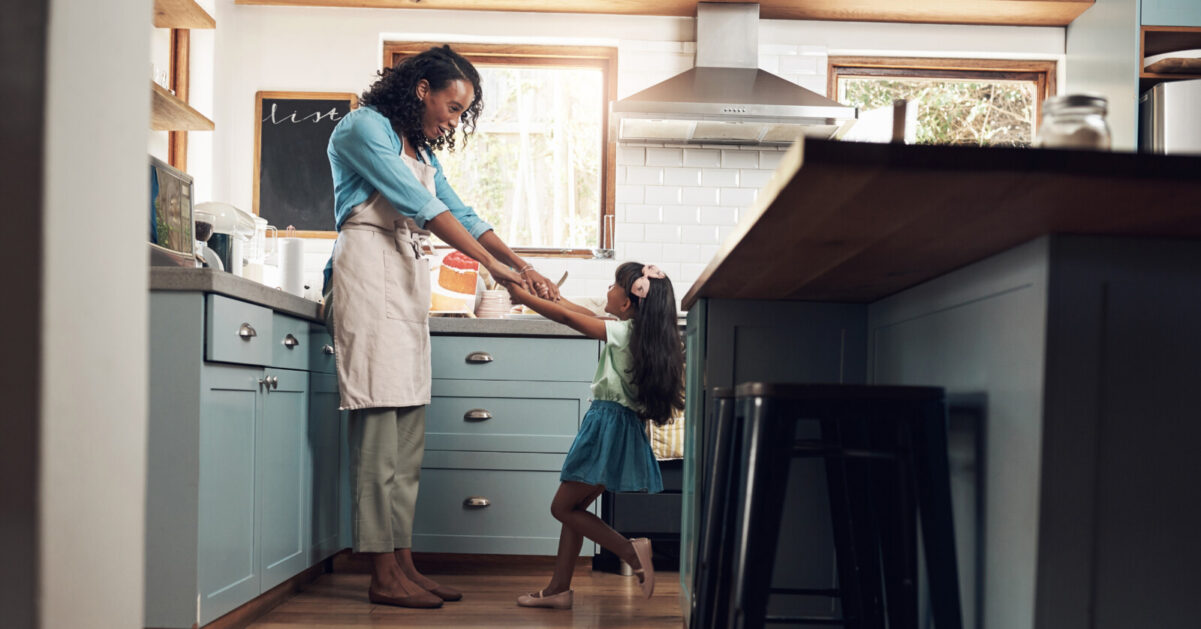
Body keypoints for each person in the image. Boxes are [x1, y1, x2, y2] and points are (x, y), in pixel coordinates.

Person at [321, 45, 562, 609]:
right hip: (367, 269)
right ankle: (381, 573)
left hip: (403, 277)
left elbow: (465, 213)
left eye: (461, 112)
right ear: (422, 88)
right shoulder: (362, 127)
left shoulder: (420, 148)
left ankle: (404, 564)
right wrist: (499, 271)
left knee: (407, 436)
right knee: (379, 431)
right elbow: (418, 204)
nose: (453, 120)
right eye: (452, 107)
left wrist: (525, 266)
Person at [503, 261, 686, 609]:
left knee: (561, 507)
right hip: (617, 425)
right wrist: (554, 296)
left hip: (607, 426)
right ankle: (559, 589)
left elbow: (572, 319)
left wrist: (522, 296)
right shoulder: (634, 331)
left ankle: (630, 552)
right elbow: (576, 310)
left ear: (626, 303)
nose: (608, 290)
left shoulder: (623, 333)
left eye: (612, 286)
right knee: (577, 508)